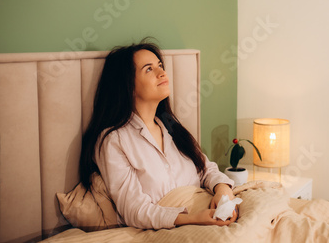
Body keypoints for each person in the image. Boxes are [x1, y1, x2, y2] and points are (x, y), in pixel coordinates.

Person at [79, 39, 237, 230]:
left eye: (160, 66)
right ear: (128, 85)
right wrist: (193, 218)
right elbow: (134, 210)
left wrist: (222, 190)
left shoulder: (171, 127)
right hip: (177, 226)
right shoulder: (114, 140)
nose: (162, 73)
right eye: (149, 69)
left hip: (210, 211)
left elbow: (206, 169)